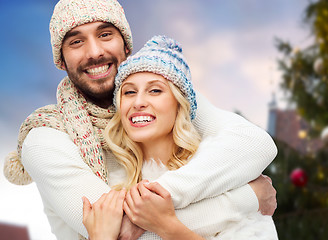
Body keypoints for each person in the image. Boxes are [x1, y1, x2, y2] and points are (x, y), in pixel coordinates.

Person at [3, 0, 277, 239]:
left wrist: (158, 199)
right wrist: (248, 197)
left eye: (105, 34)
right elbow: (122, 231)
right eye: (76, 41)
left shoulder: (165, 95)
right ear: (61, 60)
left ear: (126, 45)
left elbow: (255, 144)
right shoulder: (46, 137)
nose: (95, 51)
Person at [82, 35, 278, 239]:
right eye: (129, 92)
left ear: (179, 105)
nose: (138, 102)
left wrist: (168, 226)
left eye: (155, 90)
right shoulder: (110, 189)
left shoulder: (221, 174)